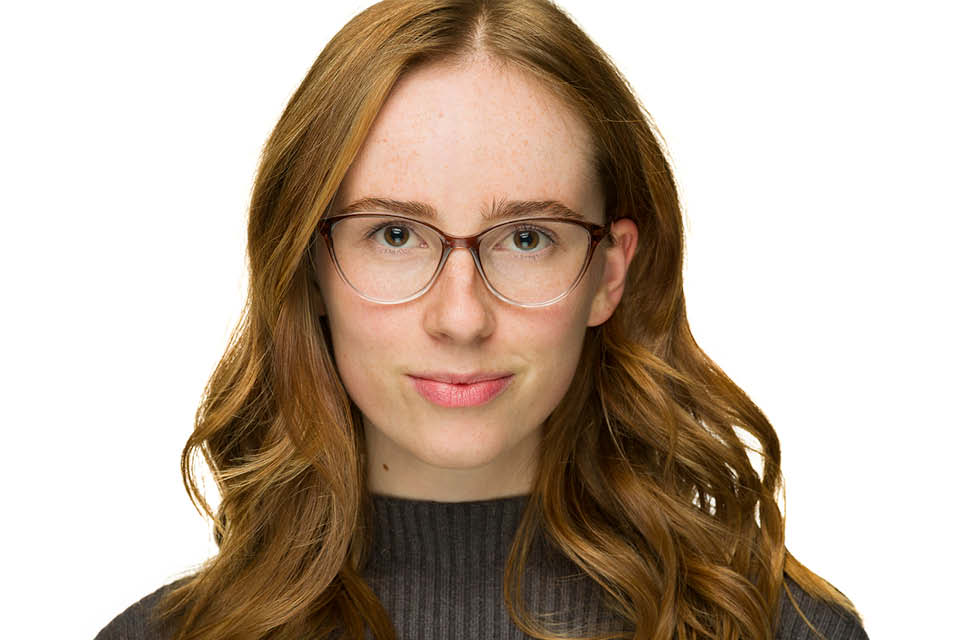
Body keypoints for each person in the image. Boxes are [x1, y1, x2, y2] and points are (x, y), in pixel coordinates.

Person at [95, 1, 869, 639]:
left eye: (526, 238)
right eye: (394, 235)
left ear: (610, 273)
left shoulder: (777, 630)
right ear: (309, 267)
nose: (461, 318)